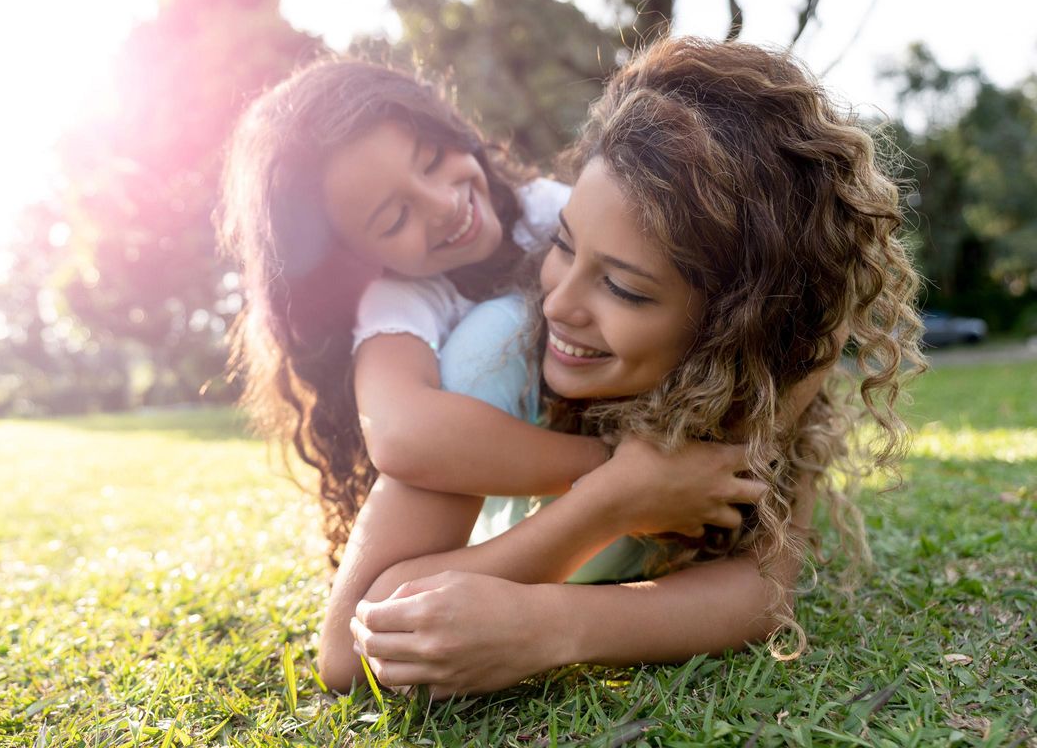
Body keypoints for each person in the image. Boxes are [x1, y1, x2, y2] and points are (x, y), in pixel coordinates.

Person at [319, 37, 926, 697]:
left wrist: (551, 627)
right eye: (563, 243)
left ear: (733, 323)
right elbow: (348, 651)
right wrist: (615, 497)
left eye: (627, 290)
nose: (559, 303)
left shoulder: (754, 379)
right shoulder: (498, 349)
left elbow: (759, 590)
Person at [218, 60, 757, 575]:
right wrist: (618, 470)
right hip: (513, 516)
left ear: (450, 129)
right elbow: (402, 434)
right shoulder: (403, 301)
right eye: (396, 217)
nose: (443, 205)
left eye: (431, 160)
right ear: (355, 258)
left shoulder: (548, 210)